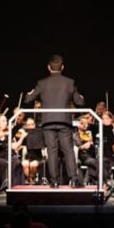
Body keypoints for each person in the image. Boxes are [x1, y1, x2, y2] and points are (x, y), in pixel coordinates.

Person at [23, 54, 85, 188]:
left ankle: (54, 181)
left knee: (52, 151)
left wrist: (29, 94)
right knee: (68, 150)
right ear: (62, 67)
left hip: (48, 121)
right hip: (64, 121)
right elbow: (79, 102)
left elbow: (28, 99)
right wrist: (81, 97)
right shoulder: (70, 82)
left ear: (48, 68)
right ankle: (74, 180)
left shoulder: (42, 83)